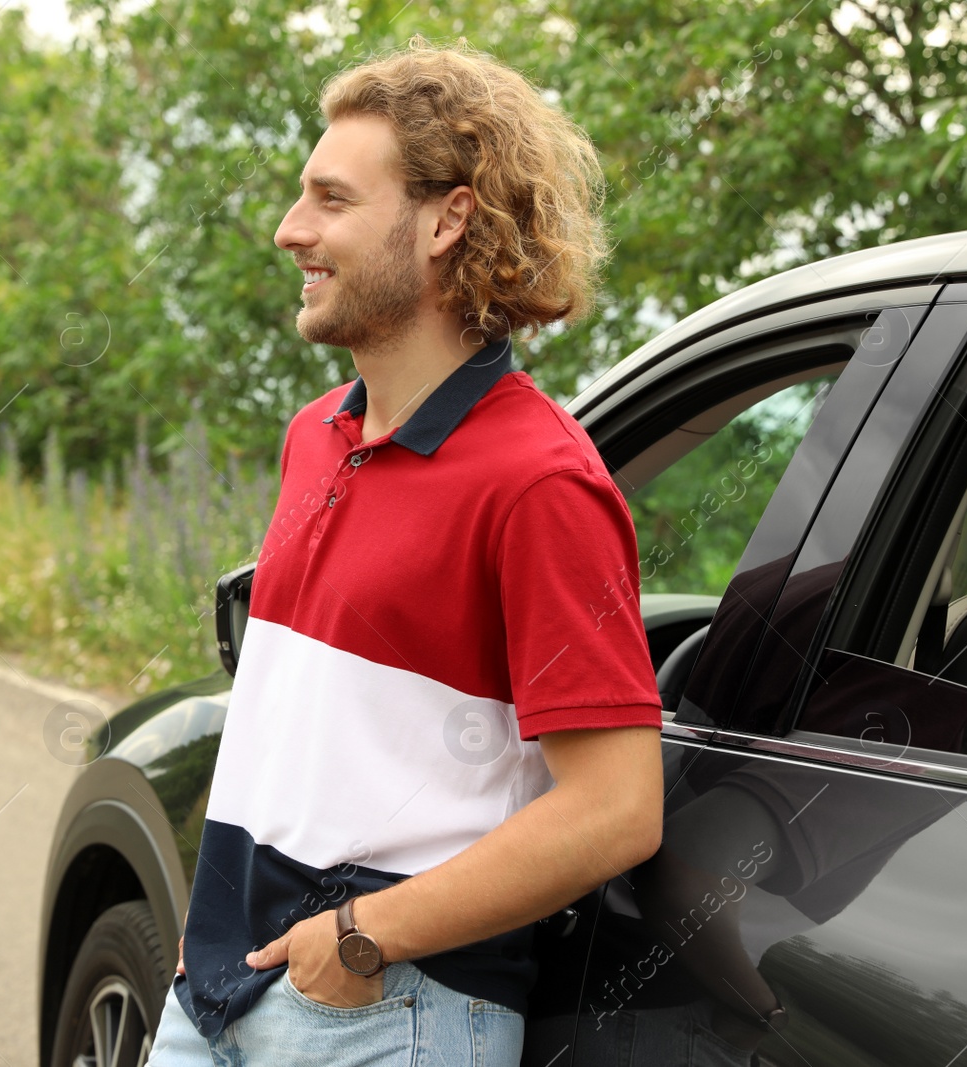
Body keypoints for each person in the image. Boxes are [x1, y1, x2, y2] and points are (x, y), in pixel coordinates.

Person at [145, 34, 665, 1067]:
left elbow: (615, 810)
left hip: (388, 1012)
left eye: (332, 200)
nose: (291, 229)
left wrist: (357, 938)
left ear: (445, 219)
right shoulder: (314, 434)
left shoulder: (539, 482)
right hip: (221, 988)